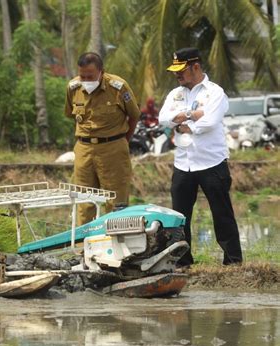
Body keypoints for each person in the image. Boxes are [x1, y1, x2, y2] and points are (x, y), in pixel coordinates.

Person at [159, 47, 242, 268]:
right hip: (183, 163)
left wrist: (186, 126)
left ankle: (233, 262)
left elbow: (209, 122)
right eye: (175, 70)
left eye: (181, 70)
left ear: (195, 66)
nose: (177, 75)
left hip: (211, 162)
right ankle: (183, 262)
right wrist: (190, 115)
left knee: (222, 213)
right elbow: (164, 119)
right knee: (179, 216)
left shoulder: (215, 93)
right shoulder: (175, 94)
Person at [64, 52, 141, 225]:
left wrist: (122, 141)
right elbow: (71, 114)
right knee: (84, 201)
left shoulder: (118, 87)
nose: (85, 80)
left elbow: (134, 115)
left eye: (90, 76)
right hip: (84, 150)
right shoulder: (73, 87)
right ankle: (84, 246)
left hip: (113, 148)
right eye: (82, 76)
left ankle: (117, 246)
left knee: (116, 201)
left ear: (101, 72)